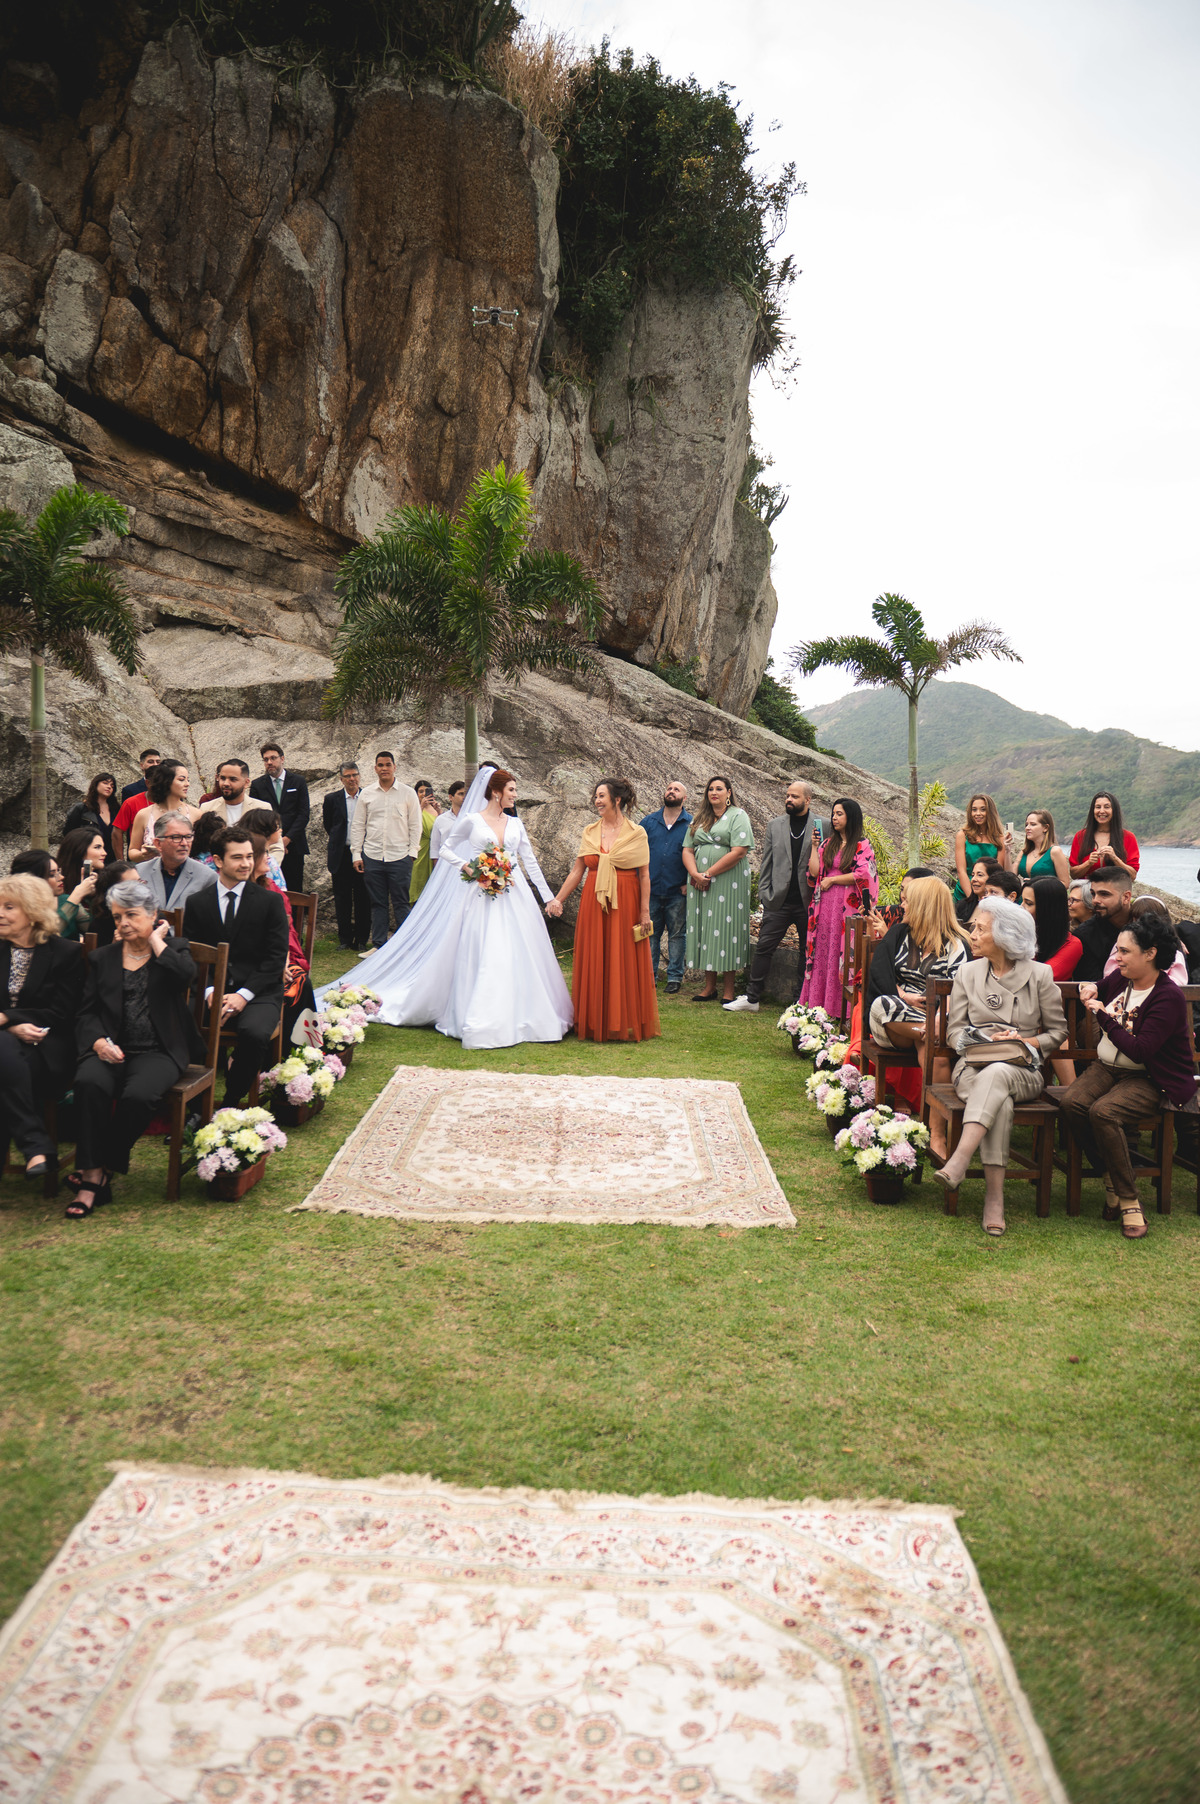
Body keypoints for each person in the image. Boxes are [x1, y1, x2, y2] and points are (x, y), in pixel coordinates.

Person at [66, 879, 204, 1218]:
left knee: (138, 1096)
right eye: (116, 917)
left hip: (159, 1051)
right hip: (111, 1048)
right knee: (89, 1083)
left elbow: (185, 977)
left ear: (152, 915)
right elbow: (86, 1012)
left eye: (131, 915)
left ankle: (95, 1171)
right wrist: (98, 1042)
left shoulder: (175, 950)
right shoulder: (103, 958)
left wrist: (158, 942)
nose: (123, 924)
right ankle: (95, 1175)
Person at [1058, 913, 1198, 1239]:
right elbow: (1101, 986)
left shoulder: (1168, 996)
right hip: (1107, 1068)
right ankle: (1111, 1179)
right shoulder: (1123, 979)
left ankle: (1129, 1200)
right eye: (1116, 950)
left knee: (1104, 1112)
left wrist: (1103, 1017)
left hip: (1151, 1077)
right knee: (1072, 1104)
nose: (1116, 957)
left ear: (1150, 953)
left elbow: (1141, 1051)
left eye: (1124, 952)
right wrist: (1090, 987)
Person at [932, 896, 1066, 1235]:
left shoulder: (1040, 975)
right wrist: (983, 1040)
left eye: (980, 929)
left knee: (1001, 1074)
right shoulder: (967, 972)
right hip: (973, 1068)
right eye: (973, 927)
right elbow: (954, 1033)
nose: (971, 934)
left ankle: (960, 1160)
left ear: (1006, 937)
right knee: (998, 1094)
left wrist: (1024, 1042)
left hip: (1023, 1071)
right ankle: (994, 1198)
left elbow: (1057, 1032)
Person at [431, 769, 571, 1047]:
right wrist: (468, 867)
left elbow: (529, 862)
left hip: (515, 892)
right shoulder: (471, 821)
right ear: (496, 792)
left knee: (520, 946)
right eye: (512, 790)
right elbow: (446, 848)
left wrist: (549, 898)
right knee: (485, 946)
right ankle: (482, 1013)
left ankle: (526, 1013)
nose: (515, 796)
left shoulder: (516, 824)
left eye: (515, 791)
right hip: (481, 893)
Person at [182, 826, 290, 1106]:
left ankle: (231, 1101)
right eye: (237, 857)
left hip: (258, 992)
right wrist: (209, 993)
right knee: (179, 1025)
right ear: (218, 861)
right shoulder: (196, 903)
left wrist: (242, 996)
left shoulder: (270, 902)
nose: (246, 864)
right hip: (208, 993)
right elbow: (191, 955)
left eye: (250, 857)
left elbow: (275, 958)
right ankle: (192, 1108)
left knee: (254, 1034)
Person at [867, 876, 971, 1158]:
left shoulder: (958, 946)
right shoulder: (900, 934)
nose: (902, 906)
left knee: (933, 1050)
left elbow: (962, 993)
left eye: (907, 901)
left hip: (940, 1018)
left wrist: (938, 1019)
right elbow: (880, 976)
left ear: (924, 906)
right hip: (897, 1019)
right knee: (882, 1004)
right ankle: (937, 1133)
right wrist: (904, 995)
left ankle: (936, 1135)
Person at [549, 777, 659, 1043]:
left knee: (622, 959)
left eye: (601, 796)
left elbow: (644, 875)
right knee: (595, 957)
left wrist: (645, 913)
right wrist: (558, 899)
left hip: (627, 902)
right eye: (596, 797)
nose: (597, 801)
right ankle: (594, 1019)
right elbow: (578, 870)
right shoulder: (590, 831)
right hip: (594, 902)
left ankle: (624, 1021)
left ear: (616, 799)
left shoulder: (637, 832)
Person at [0, 873, 85, 1182]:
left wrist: (10, 1019)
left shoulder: (65, 953)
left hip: (49, 1046)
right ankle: (35, 1144)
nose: (0, 913)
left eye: (9, 906)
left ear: (33, 912)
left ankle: (36, 1146)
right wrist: (11, 1029)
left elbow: (61, 1014)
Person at [726, 780, 811, 1014]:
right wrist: (765, 894)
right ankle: (752, 998)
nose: (789, 800)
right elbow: (767, 862)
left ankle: (800, 1001)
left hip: (809, 902)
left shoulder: (821, 825)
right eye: (787, 796)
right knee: (764, 947)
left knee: (808, 952)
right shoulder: (775, 825)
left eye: (794, 796)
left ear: (807, 800)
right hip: (778, 902)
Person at [799, 797, 877, 1015]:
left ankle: (841, 1010)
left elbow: (863, 873)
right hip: (824, 907)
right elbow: (815, 873)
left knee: (842, 953)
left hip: (847, 907)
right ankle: (817, 1005)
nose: (834, 818)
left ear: (850, 817)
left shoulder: (862, 845)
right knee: (823, 952)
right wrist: (814, 847)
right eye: (833, 814)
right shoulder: (827, 844)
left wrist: (833, 880)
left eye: (839, 814)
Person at [682, 776, 756, 1004]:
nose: (714, 792)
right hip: (699, 881)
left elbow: (739, 851)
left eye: (719, 789)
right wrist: (696, 874)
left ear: (729, 792)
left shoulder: (738, 815)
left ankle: (728, 990)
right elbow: (687, 849)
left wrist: (709, 873)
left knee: (726, 929)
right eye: (710, 789)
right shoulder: (699, 818)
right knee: (706, 927)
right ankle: (709, 987)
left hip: (728, 880)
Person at [350, 751, 423, 951]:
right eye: (380, 765)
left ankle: (405, 946)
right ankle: (379, 946)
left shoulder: (408, 793)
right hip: (372, 856)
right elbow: (358, 825)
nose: (384, 768)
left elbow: (415, 825)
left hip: (400, 857)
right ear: (375, 768)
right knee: (378, 903)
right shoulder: (367, 794)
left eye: (388, 765)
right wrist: (357, 853)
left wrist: (412, 853)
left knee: (401, 903)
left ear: (394, 767)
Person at [251, 833, 317, 1042]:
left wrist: (283, 958)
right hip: (252, 960)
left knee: (298, 980)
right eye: (265, 854)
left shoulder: (271, 889)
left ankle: (302, 1044)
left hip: (280, 954)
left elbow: (284, 931)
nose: (269, 859)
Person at [641, 780, 692, 995]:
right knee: (650, 935)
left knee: (677, 935)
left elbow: (697, 855)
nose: (671, 792)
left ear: (684, 797)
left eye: (676, 789)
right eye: (669, 788)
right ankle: (649, 977)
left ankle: (674, 977)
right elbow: (637, 853)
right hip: (650, 890)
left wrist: (689, 883)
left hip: (677, 891)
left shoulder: (692, 824)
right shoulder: (648, 822)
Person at [323, 762, 371, 951]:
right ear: (341, 779)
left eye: (355, 775)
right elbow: (329, 825)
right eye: (348, 776)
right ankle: (344, 939)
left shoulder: (368, 796)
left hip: (364, 853)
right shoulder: (331, 799)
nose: (352, 779)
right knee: (342, 898)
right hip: (341, 854)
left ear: (359, 776)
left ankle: (361, 939)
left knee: (363, 898)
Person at [250, 742, 310, 892]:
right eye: (265, 759)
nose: (269, 762)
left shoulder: (298, 781)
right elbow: (255, 818)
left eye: (273, 758)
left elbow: (303, 814)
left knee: (294, 889)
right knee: (268, 888)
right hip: (267, 849)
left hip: (294, 845)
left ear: (282, 759)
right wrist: (273, 842)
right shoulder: (258, 785)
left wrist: (286, 840)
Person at [139, 810, 218, 910]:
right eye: (176, 837)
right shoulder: (140, 873)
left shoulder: (208, 877)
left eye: (188, 837)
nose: (184, 843)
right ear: (158, 843)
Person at [1102, 897, 1188, 988]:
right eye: (1137, 921)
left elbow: (1178, 985)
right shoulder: (1121, 945)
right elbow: (1109, 976)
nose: (1143, 926)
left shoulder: (1174, 953)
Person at [127, 760, 201, 862]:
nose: (187, 784)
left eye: (188, 780)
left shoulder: (196, 814)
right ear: (166, 781)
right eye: (181, 780)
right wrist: (143, 855)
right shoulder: (144, 814)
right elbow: (132, 851)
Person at [1072, 866, 1134, 983]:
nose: (1095, 900)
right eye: (1093, 894)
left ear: (1126, 897)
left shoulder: (1146, 925)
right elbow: (1090, 983)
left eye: (1104, 894)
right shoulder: (1085, 935)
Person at [1021, 876, 1082, 980]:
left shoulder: (1072, 945)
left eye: (1028, 903)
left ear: (1047, 908)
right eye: (1022, 901)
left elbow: (1039, 979)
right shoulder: (1020, 933)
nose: (1021, 907)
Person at [1069, 792, 1140, 881]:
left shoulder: (1128, 837)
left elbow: (1132, 876)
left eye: (1107, 807)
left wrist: (1115, 858)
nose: (1102, 811)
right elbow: (1073, 874)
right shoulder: (1081, 836)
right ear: (1093, 811)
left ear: (1114, 810)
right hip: (1086, 888)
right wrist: (1088, 863)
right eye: (1098, 807)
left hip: (1114, 889)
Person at [952, 794, 1009, 902]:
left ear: (990, 812)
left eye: (983, 809)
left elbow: (999, 872)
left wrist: (987, 897)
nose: (978, 813)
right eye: (974, 810)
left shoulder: (1000, 838)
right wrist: (972, 899)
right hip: (964, 892)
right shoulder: (962, 835)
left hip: (989, 893)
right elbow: (961, 871)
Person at [53, 828, 105, 939]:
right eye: (97, 847)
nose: (104, 853)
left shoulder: (102, 883)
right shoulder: (58, 887)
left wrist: (94, 897)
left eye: (103, 847)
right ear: (79, 851)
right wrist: (79, 894)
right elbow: (52, 932)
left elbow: (95, 932)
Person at [64, 773, 117, 860]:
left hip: (111, 856)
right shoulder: (81, 808)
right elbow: (68, 833)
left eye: (112, 785)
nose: (109, 787)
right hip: (88, 856)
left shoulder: (116, 809)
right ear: (95, 784)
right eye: (105, 783)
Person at [89, 861, 138, 946]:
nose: (139, 889)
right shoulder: (101, 924)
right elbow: (96, 958)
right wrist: (114, 944)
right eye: (131, 885)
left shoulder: (152, 915)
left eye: (139, 882)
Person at [1015, 811, 1071, 884]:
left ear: (1045, 828)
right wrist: (1007, 850)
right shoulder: (1024, 852)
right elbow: (1010, 877)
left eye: (1033, 824)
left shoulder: (1055, 851)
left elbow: (1065, 883)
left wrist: (1038, 885)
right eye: (1026, 824)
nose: (1027, 828)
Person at [409, 780, 440, 905]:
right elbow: (410, 825)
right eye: (420, 791)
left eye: (426, 791)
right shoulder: (414, 809)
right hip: (420, 851)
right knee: (416, 882)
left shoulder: (435, 810)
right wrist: (420, 807)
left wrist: (439, 812)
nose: (423, 794)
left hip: (433, 853)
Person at [199, 759, 253, 826]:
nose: (226, 783)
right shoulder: (207, 809)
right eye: (223, 778)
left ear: (246, 783)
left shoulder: (262, 808)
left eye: (233, 779)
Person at [429, 781, 466, 864]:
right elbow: (435, 847)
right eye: (460, 794)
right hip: (445, 863)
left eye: (466, 794)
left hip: (466, 862)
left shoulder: (471, 818)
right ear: (450, 797)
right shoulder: (441, 820)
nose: (464, 797)